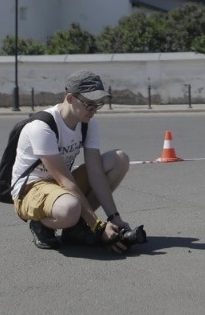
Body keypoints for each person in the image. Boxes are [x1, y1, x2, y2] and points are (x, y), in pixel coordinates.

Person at [12, 69, 132, 251]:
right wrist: (98, 226)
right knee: (70, 208)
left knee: (119, 159)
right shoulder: (42, 127)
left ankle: (76, 227)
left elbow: (95, 172)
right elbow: (65, 181)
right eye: (89, 104)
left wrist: (114, 218)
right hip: (32, 189)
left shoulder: (88, 124)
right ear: (70, 98)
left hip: (60, 186)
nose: (94, 111)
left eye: (98, 104)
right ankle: (41, 224)